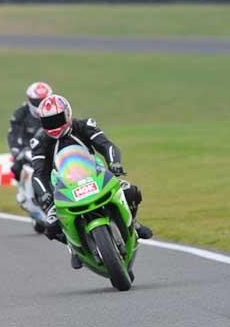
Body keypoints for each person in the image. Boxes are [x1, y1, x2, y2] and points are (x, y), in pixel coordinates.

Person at [30, 94, 154, 270]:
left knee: (131, 191)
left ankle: (133, 224)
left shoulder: (84, 125)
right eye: (49, 122)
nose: (54, 126)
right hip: (62, 186)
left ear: (67, 114)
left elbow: (107, 145)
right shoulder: (40, 142)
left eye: (57, 119)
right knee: (50, 226)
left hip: (95, 174)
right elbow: (38, 173)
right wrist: (44, 194)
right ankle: (73, 246)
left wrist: (115, 163)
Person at [6, 82, 52, 181]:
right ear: (29, 100)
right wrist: (16, 151)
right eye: (37, 102)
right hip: (28, 150)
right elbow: (13, 134)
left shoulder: (56, 111)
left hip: (50, 147)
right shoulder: (20, 114)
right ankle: (23, 195)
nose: (40, 105)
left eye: (44, 101)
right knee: (16, 169)